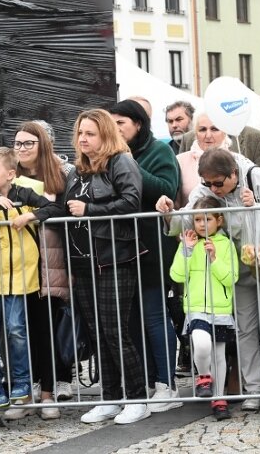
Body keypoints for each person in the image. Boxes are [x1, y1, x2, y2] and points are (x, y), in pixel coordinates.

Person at [157, 148, 260, 410]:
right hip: (234, 265)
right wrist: (169, 212)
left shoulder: (255, 175)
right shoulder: (206, 189)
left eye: (218, 183)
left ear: (233, 174)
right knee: (245, 326)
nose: (213, 189)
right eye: (208, 183)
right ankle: (254, 388)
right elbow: (188, 218)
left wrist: (255, 207)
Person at [62, 109, 150, 425]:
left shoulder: (121, 162)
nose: (83, 139)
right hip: (84, 261)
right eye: (80, 133)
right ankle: (111, 398)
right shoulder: (76, 171)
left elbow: (130, 202)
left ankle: (138, 398)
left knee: (115, 331)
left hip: (116, 257)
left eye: (90, 134)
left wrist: (90, 209)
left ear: (105, 136)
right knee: (98, 333)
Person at [0, 148, 63, 414]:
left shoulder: (24, 194)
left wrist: (29, 216)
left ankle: (22, 383)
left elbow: (53, 207)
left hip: (20, 278)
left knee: (16, 330)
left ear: (10, 174)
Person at [108, 99, 182, 413]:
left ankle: (167, 383)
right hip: (121, 249)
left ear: (138, 124)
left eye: (120, 123)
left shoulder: (159, 151)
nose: (115, 129)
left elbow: (167, 187)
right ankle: (148, 381)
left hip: (152, 246)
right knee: (131, 318)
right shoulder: (109, 157)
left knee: (154, 315)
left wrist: (129, 165)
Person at [7, 121, 74, 420]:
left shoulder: (58, 176)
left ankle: (48, 393)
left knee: (47, 328)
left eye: (28, 143)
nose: (21, 149)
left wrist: (33, 214)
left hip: (50, 261)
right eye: (18, 143)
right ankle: (25, 393)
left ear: (42, 145)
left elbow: (61, 212)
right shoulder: (11, 175)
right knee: (23, 331)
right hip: (17, 263)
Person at [169, 196, 238, 421]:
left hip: (221, 309)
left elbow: (231, 278)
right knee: (200, 342)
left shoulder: (226, 245)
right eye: (197, 219)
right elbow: (176, 275)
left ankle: (219, 398)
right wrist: (186, 252)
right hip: (196, 307)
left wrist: (215, 259)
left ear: (218, 220)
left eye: (207, 219)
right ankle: (204, 377)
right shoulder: (187, 243)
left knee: (219, 354)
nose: (201, 224)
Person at [177, 117, 260, 177]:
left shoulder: (256, 138)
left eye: (215, 129)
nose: (208, 135)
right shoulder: (188, 138)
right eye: (202, 130)